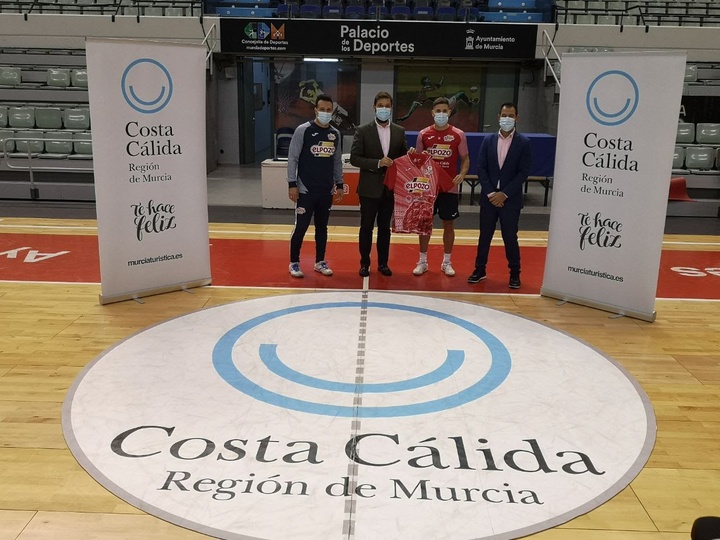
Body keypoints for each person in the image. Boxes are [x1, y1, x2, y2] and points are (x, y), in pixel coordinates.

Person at [468, 102, 532, 289]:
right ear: (498, 117)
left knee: (510, 237)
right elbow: (481, 168)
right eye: (504, 115)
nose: (507, 119)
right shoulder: (488, 140)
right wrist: (490, 192)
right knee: (484, 236)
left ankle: (514, 273)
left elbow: (523, 172)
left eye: (511, 115)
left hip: (510, 200)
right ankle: (480, 270)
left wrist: (504, 194)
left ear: (516, 118)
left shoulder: (524, 143)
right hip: (489, 199)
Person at [350, 91, 408, 277]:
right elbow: (354, 158)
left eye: (387, 106)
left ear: (391, 108)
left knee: (385, 229)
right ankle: (364, 263)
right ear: (374, 107)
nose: (384, 109)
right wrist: (377, 163)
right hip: (368, 189)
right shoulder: (362, 130)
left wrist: (411, 155)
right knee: (366, 227)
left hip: (390, 190)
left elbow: (403, 158)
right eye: (381, 105)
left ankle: (383, 264)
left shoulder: (399, 131)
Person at [286, 93, 344, 278]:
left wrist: (339, 184)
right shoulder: (303, 130)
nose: (325, 113)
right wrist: (292, 184)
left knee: (322, 228)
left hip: (325, 190)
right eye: (322, 109)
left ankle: (320, 262)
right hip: (305, 190)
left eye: (328, 110)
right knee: (301, 227)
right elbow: (292, 158)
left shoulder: (335, 134)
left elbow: (337, 162)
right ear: (315, 110)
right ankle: (294, 263)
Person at [412, 96, 470, 277]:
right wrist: (413, 155)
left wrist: (462, 174)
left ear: (450, 112)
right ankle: (422, 261)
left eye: (445, 111)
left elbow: (465, 159)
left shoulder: (458, 135)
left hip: (449, 188)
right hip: (428, 188)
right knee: (424, 225)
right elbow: (418, 162)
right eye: (438, 111)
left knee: (448, 224)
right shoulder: (423, 134)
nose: (441, 114)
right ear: (432, 113)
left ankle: (447, 262)